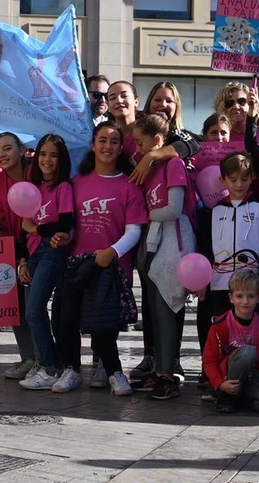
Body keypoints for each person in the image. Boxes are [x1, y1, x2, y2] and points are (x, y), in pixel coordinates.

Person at [49, 123, 146, 396]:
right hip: (76, 266)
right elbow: (68, 224)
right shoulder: (75, 183)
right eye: (102, 140)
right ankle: (72, 370)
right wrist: (63, 237)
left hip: (110, 267)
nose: (107, 146)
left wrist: (111, 252)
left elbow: (134, 230)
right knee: (67, 321)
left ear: (120, 148)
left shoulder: (129, 186)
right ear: (93, 145)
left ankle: (114, 371)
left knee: (104, 327)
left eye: (114, 142)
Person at [131, 113, 193, 400]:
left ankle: (168, 375)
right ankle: (159, 371)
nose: (137, 149)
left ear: (157, 140)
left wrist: (144, 216)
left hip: (173, 241)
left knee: (168, 308)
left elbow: (174, 209)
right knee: (155, 310)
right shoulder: (149, 166)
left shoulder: (174, 164)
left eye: (141, 143)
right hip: (155, 242)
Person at [196, 152, 259, 359]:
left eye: (244, 179)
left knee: (248, 329)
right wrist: (202, 280)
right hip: (219, 283)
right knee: (216, 327)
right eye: (233, 179)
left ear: (252, 178)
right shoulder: (214, 212)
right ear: (223, 180)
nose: (239, 184)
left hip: (251, 285)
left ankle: (250, 368)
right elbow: (204, 248)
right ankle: (212, 369)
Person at [16, 133, 75, 392]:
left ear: (61, 160)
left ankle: (50, 368)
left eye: (53, 155)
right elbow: (22, 227)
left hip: (52, 253)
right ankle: (48, 364)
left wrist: (37, 229)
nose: (47, 160)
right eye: (43, 154)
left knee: (34, 310)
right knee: (33, 312)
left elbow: (64, 223)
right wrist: (23, 261)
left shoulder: (63, 187)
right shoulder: (31, 187)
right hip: (33, 254)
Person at [201, 268, 259, 415]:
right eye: (239, 296)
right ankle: (227, 395)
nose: (245, 301)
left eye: (250, 296)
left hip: (254, 374)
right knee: (248, 351)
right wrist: (220, 383)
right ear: (231, 298)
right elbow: (209, 361)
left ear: (258, 297)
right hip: (228, 374)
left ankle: (240, 396)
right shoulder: (219, 325)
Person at [0, 131, 38, 380]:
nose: (2, 155)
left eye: (7, 148)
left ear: (22, 150)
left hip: (37, 247)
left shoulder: (37, 175)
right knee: (16, 307)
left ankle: (44, 358)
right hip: (9, 248)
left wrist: (25, 256)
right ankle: (27, 357)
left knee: (34, 307)